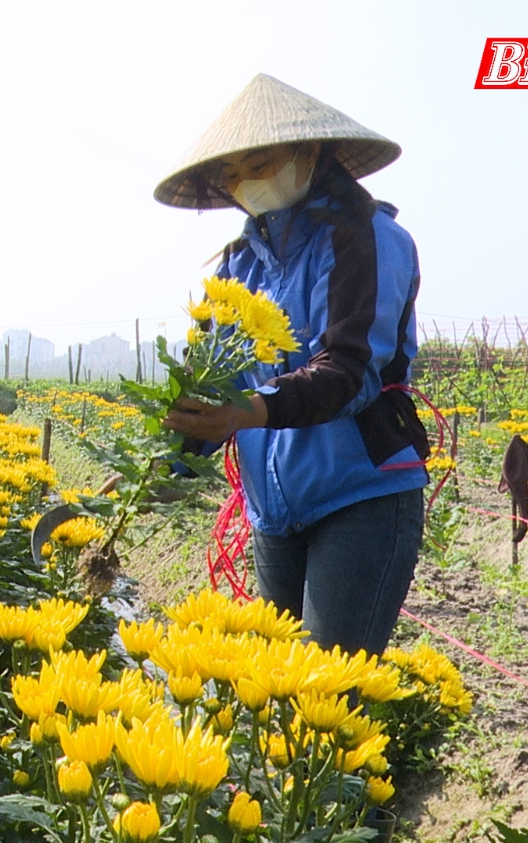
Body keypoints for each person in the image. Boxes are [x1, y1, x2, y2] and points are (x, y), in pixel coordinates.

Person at [152, 74, 430, 657]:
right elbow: (212, 386)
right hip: (273, 512)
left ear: (310, 153)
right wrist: (158, 467)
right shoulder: (233, 270)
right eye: (230, 173)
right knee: (275, 686)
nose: (243, 182)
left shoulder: (369, 237)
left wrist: (249, 410)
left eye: (259, 162)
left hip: (360, 494)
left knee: (325, 693)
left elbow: (349, 371)